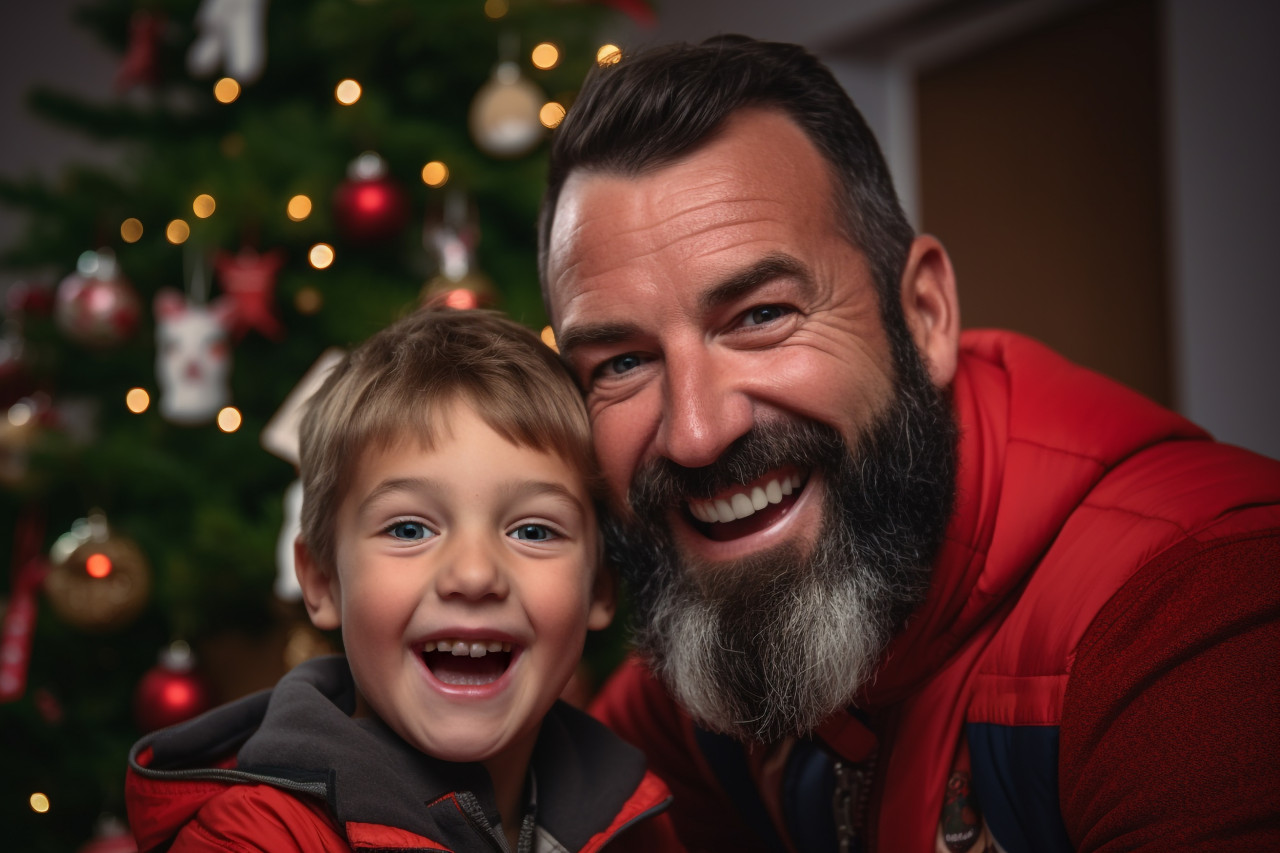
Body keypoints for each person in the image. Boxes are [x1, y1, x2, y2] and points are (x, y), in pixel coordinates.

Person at [537, 35, 1280, 853]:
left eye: (761, 316)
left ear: (924, 316)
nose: (696, 432)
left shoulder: (1204, 613)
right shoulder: (727, 631)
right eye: (624, 362)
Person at [125, 308, 673, 852]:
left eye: (533, 531)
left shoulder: (634, 817)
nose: (475, 574)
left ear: (601, 587)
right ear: (321, 582)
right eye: (410, 528)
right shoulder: (256, 839)